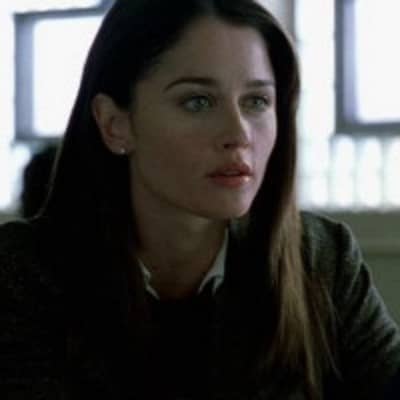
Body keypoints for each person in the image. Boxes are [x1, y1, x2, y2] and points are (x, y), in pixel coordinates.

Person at [0, 0, 399, 399]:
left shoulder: (322, 260)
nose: (238, 134)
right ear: (115, 123)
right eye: (198, 101)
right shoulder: (22, 275)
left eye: (257, 101)